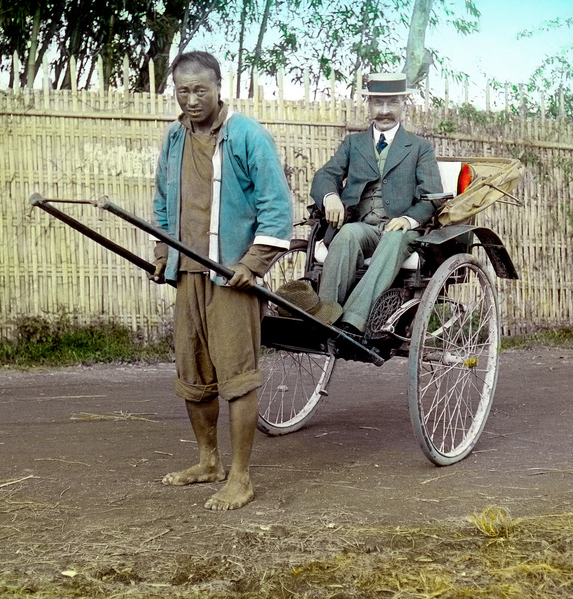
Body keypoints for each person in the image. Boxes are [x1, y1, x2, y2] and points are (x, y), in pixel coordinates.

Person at [149, 51, 293, 510]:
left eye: (200, 90)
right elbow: (162, 202)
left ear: (218, 87)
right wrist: (161, 252)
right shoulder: (174, 139)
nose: (191, 100)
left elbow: (276, 207)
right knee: (193, 373)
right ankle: (208, 461)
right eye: (182, 91)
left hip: (231, 276)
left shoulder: (247, 136)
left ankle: (241, 477)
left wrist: (251, 264)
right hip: (186, 272)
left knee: (237, 376)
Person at [310, 73, 444, 334]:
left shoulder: (419, 148)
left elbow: (432, 196)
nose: (384, 111)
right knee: (348, 233)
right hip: (365, 227)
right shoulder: (353, 143)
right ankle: (325, 316)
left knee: (394, 237)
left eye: (392, 103)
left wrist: (407, 220)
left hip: (402, 230)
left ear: (403, 104)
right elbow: (326, 175)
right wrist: (331, 197)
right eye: (378, 103)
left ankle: (353, 321)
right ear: (369, 106)